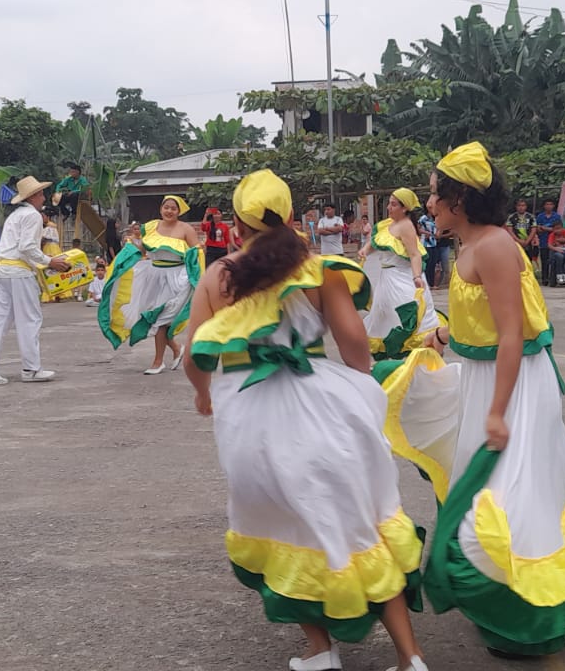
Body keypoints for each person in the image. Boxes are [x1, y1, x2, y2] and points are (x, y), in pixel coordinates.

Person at [379, 142, 565, 659]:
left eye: (434, 194)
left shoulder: (493, 245)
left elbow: (512, 334)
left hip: (512, 384)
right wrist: (443, 336)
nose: (429, 203)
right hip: (485, 377)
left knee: (509, 501)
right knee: (501, 498)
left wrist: (496, 412)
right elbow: (487, 317)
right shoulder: (470, 244)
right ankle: (530, 608)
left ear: (460, 200)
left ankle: (541, 614)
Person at [183, 169, 427, 671]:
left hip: (251, 421)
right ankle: (410, 658)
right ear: (292, 216)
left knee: (285, 533)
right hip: (327, 410)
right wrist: (359, 391)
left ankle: (321, 650)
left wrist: (204, 394)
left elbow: (193, 355)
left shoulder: (218, 276)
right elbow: (355, 346)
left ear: (236, 224)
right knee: (362, 525)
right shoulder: (320, 269)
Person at [0, 177, 71, 385]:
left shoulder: (15, 215)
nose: (44, 197)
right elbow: (27, 246)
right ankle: (31, 368)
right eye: (41, 194)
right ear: (34, 196)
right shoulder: (32, 216)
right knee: (29, 319)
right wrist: (49, 261)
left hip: (4, 270)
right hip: (20, 272)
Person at [99, 195, 203, 374]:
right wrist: (126, 256)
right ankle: (176, 349)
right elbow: (142, 249)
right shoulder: (151, 227)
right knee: (155, 318)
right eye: (166, 207)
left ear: (179, 211)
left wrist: (197, 276)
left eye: (173, 208)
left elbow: (197, 253)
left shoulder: (186, 229)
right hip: (154, 276)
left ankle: (158, 362)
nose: (169, 211)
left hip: (177, 278)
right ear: (161, 209)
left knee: (160, 318)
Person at [360, 188, 444, 360]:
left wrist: (417, 276)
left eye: (393, 205)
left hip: (402, 279)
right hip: (387, 279)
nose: (389, 208)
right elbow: (376, 240)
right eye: (389, 204)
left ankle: (421, 357)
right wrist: (365, 250)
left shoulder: (406, 226)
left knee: (406, 317)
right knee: (383, 317)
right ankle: (388, 358)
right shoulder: (387, 223)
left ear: (405, 208)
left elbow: (414, 254)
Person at [533, 198, 562, 285]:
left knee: (554, 261)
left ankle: (553, 279)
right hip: (543, 242)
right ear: (544, 206)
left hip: (554, 242)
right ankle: (544, 279)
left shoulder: (557, 216)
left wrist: (544, 228)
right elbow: (538, 229)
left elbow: (557, 229)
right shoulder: (540, 216)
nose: (549, 206)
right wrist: (547, 229)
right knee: (544, 261)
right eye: (547, 204)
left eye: (550, 204)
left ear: (553, 206)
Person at [418, 210, 443, 288]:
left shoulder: (436, 218)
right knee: (427, 264)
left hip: (434, 243)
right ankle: (426, 282)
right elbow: (418, 229)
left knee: (433, 264)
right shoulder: (424, 218)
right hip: (425, 244)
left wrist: (438, 233)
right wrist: (427, 233)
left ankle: (431, 283)